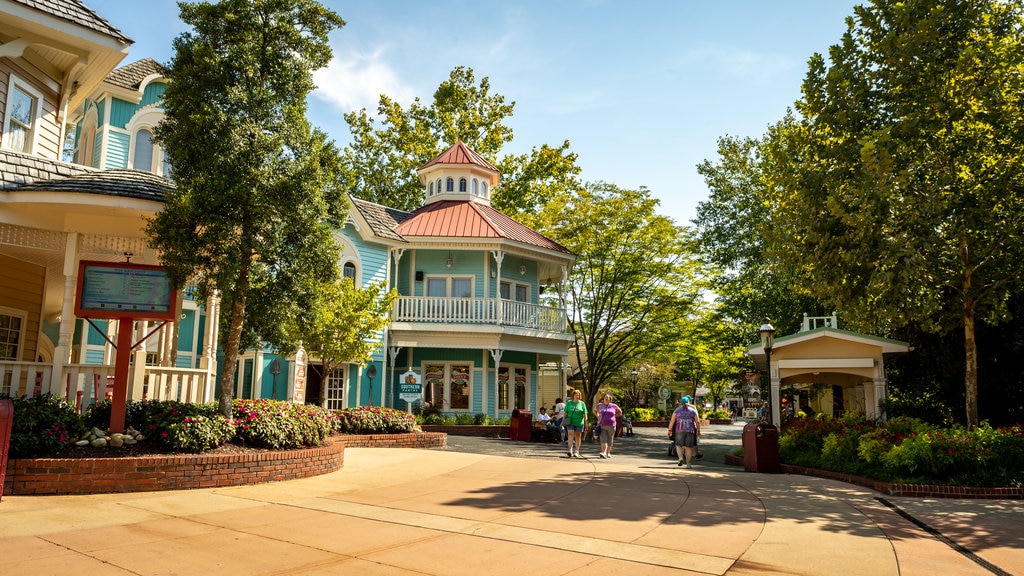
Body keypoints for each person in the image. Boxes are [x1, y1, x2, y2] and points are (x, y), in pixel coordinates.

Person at [668, 395, 701, 468]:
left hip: (679, 430)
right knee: (688, 447)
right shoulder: (693, 411)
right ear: (688, 402)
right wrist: (698, 430)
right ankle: (688, 464)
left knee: (678, 445)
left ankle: (680, 458)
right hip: (690, 430)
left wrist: (670, 430)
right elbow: (697, 422)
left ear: (681, 403)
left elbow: (672, 421)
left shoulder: (677, 410)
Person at [594, 392, 622, 459]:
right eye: (605, 398)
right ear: (603, 399)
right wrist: (597, 416)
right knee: (603, 439)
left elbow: (620, 412)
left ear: (610, 399)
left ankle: (608, 452)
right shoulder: (599, 405)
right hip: (602, 425)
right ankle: (603, 452)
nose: (606, 399)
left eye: (608, 398)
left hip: (611, 425)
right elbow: (595, 410)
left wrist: (615, 416)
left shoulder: (613, 406)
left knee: (610, 439)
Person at [563, 389, 588, 458]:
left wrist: (586, 423)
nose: (577, 396)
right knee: (570, 434)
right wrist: (562, 421)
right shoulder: (569, 403)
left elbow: (585, 414)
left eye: (578, 395)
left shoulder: (582, 404)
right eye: (576, 395)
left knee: (578, 436)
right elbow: (565, 413)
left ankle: (577, 451)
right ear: (573, 395)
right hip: (570, 422)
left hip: (579, 422)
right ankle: (570, 450)